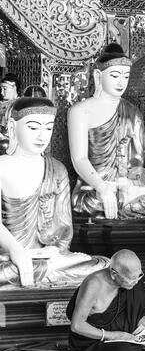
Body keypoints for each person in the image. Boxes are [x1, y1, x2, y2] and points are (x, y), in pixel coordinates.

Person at [0, 96, 109, 289]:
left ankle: (40, 274)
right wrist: (16, 251)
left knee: (102, 267)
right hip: (7, 259)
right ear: (12, 126)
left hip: (48, 259)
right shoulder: (2, 166)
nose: (42, 136)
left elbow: (64, 227)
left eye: (48, 128)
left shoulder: (57, 169)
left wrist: (54, 251)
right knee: (8, 272)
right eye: (33, 128)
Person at [68, 43, 145, 219]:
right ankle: (125, 203)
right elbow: (79, 159)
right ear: (98, 75)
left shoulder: (133, 112)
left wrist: (129, 182)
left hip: (125, 187)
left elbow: (137, 158)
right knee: (97, 203)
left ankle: (128, 200)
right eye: (114, 75)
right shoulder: (80, 111)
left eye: (126, 76)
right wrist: (102, 186)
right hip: (93, 190)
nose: (121, 82)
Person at [0, 73, 21, 153]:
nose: (2, 93)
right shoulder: (2, 104)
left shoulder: (20, 104)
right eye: (1, 89)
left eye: (5, 89)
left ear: (13, 87)